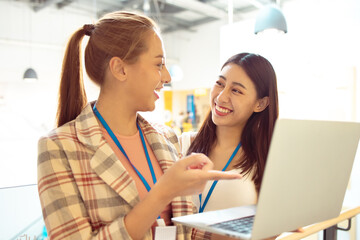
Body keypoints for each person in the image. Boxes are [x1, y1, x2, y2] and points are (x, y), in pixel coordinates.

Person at [37, 11, 241, 240]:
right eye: (158, 64)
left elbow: (183, 231)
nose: (166, 77)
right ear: (120, 69)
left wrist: (246, 233)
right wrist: (163, 193)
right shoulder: (58, 148)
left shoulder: (166, 138)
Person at [180, 53, 279, 239]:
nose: (222, 97)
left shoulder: (266, 158)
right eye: (220, 83)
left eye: (236, 91)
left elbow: (269, 232)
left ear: (260, 103)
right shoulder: (182, 145)